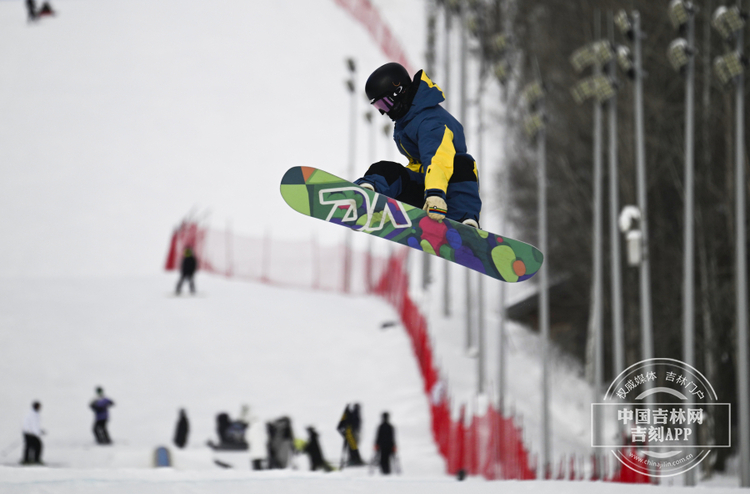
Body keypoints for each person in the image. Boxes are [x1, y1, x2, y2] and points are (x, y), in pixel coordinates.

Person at [355, 62, 482, 228]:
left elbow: (438, 160)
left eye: (385, 104)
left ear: (399, 92)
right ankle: (366, 193)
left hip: (447, 192)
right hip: (427, 189)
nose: (384, 111)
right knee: (387, 170)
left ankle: (464, 222)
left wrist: (435, 194)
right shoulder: (409, 119)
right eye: (379, 106)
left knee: (463, 165)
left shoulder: (430, 122)